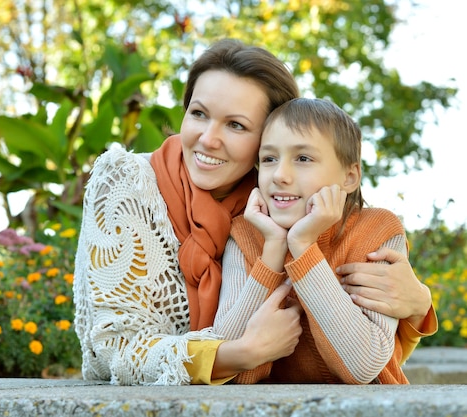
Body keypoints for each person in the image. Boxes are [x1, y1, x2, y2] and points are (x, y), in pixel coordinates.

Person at [73, 39, 436, 386]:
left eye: (236, 125)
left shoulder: (274, 202)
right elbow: (116, 349)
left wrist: (419, 303)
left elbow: (365, 358)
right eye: (198, 113)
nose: (209, 139)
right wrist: (239, 354)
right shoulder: (131, 184)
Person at [212, 97, 436, 384]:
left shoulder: (378, 230)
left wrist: (303, 248)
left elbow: (363, 367)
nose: (280, 175)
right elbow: (229, 363)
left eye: (303, 158)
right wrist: (272, 252)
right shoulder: (246, 232)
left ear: (349, 176)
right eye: (269, 159)